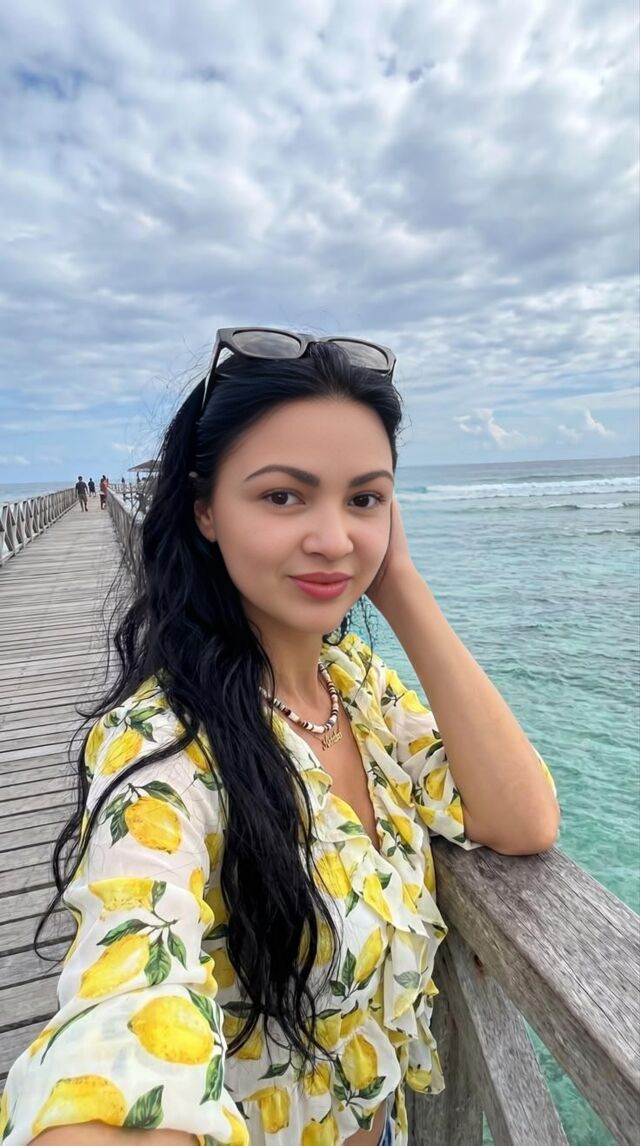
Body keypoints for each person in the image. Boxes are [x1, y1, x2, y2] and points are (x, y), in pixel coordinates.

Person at [1, 329, 559, 1146]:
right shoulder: (159, 749)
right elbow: (125, 1002)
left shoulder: (355, 686)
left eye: (364, 499)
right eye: (283, 497)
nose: (333, 538)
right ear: (205, 511)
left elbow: (523, 818)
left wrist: (400, 583)